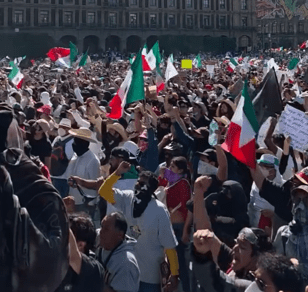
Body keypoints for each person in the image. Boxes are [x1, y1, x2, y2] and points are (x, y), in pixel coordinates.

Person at [98, 161, 179, 292]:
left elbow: (169, 246)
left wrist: (174, 274)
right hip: (128, 273)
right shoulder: (127, 198)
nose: (138, 186)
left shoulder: (159, 210)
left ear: (151, 189)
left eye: (143, 184)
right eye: (138, 182)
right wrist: (117, 173)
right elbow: (103, 191)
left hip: (149, 278)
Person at [56, 213, 105, 292]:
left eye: (65, 236)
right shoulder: (61, 265)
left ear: (80, 245)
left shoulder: (94, 269)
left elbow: (73, 258)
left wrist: (58, 215)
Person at [96, 212, 140, 292]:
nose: (101, 232)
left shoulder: (126, 264)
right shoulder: (100, 239)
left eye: (106, 229)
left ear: (120, 235)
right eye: (101, 226)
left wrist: (94, 282)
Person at [273, 185, 308, 284]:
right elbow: (275, 268)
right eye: (297, 200)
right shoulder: (284, 234)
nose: (300, 206)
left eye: (306, 200)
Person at [66, 127, 101, 217]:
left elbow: (95, 185)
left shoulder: (93, 160)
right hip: (72, 202)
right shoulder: (75, 156)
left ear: (85, 143)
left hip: (85, 205)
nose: (74, 144)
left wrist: (91, 205)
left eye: (76, 141)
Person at [51, 118, 74, 198]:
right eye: (60, 127)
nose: (61, 129)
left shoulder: (72, 141)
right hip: (54, 174)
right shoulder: (57, 139)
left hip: (64, 177)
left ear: (68, 129)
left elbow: (70, 158)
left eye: (64, 127)